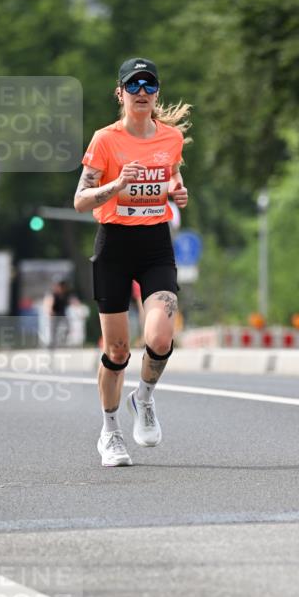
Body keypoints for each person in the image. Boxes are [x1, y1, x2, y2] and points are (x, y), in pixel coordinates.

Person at [74, 57, 190, 467]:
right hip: (115, 246)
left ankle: (142, 398)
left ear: (157, 93)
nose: (142, 92)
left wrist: (177, 190)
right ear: (120, 93)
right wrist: (117, 184)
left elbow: (170, 175)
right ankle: (109, 432)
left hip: (155, 243)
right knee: (119, 350)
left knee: (160, 338)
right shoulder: (105, 140)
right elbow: (81, 199)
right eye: (133, 85)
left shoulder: (170, 138)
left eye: (149, 85)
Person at [42, 277, 71, 348]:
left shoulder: (65, 294)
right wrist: (50, 310)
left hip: (62, 314)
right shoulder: (53, 294)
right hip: (55, 315)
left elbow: (70, 302)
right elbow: (49, 303)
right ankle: (52, 344)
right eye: (60, 286)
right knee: (53, 331)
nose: (61, 287)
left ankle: (61, 341)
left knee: (67, 328)